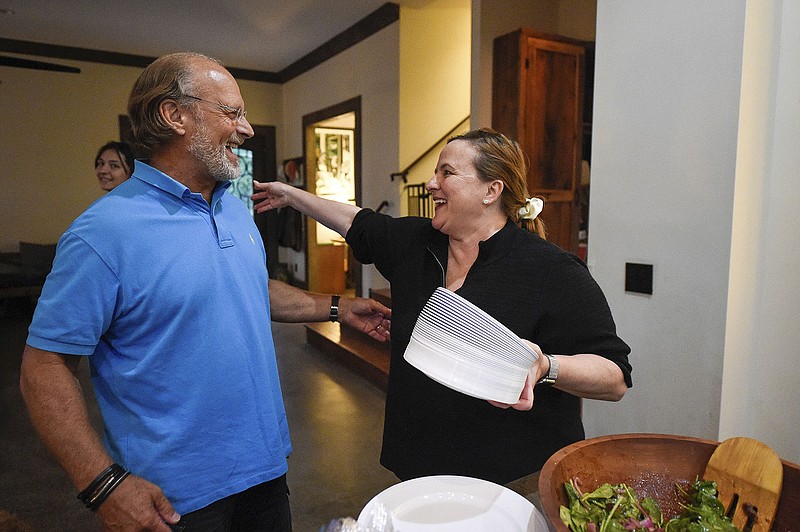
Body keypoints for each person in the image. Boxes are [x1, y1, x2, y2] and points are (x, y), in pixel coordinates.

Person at [19, 52, 391, 532]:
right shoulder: (101, 234)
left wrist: (337, 307)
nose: (247, 128)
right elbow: (43, 368)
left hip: (265, 467)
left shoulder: (233, 209)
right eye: (232, 112)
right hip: (174, 498)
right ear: (175, 116)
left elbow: (249, 289)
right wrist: (102, 483)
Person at [251, 128, 632, 485]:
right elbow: (356, 221)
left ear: (491, 190)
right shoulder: (417, 242)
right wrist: (292, 195)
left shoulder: (551, 269)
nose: (432, 183)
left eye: (447, 172)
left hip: (509, 478)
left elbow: (614, 377)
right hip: (419, 467)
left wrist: (546, 366)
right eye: (434, 172)